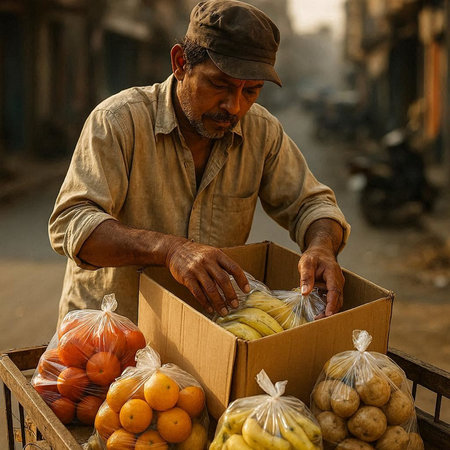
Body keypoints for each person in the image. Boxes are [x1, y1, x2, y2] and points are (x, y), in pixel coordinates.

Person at [49, 0, 350, 325]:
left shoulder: (261, 131)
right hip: (108, 335)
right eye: (219, 84)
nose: (233, 106)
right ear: (180, 63)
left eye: (251, 91)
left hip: (205, 334)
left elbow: (313, 205)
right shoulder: (118, 121)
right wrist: (168, 249)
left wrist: (320, 247)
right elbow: (72, 223)